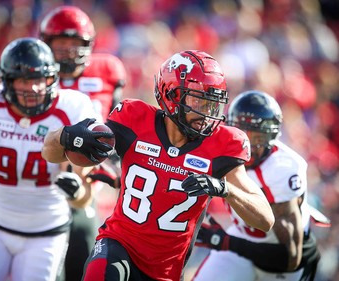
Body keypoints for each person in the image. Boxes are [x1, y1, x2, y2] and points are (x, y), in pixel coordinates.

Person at [41, 50, 275, 281]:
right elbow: (50, 153)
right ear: (171, 94)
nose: (207, 113)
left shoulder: (223, 144)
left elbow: (265, 220)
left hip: (166, 271)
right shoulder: (133, 119)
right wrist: (65, 136)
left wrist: (225, 189)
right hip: (120, 243)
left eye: (212, 104)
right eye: (199, 101)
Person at [0, 37, 104, 281]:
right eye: (25, 80)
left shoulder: (73, 108)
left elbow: (84, 199)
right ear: (5, 81)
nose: (35, 88)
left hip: (46, 235)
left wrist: (76, 192)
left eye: (40, 79)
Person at [193, 90, 321, 281]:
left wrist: (226, 241)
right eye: (242, 134)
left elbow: (290, 257)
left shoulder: (282, 168)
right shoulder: (224, 149)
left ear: (271, 136)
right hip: (241, 239)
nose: (247, 145)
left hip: (279, 262)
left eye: (257, 138)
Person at [39, 5, 126, 280]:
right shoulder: (34, 79)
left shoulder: (108, 70)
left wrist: (111, 164)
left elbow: (118, 127)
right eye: (61, 43)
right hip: (39, 175)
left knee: (85, 250)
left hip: (87, 179)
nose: (68, 50)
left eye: (75, 43)